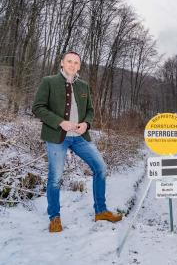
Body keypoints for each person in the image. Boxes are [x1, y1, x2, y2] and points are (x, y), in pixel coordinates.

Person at [32, 51, 122, 233]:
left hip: (80, 137)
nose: (72, 65)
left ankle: (101, 211)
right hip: (57, 137)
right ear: (62, 63)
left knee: (101, 168)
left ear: (79, 66)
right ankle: (55, 218)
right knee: (55, 178)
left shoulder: (83, 86)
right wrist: (60, 122)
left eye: (76, 62)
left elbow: (90, 109)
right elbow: (38, 108)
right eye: (69, 61)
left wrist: (86, 124)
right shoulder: (49, 81)